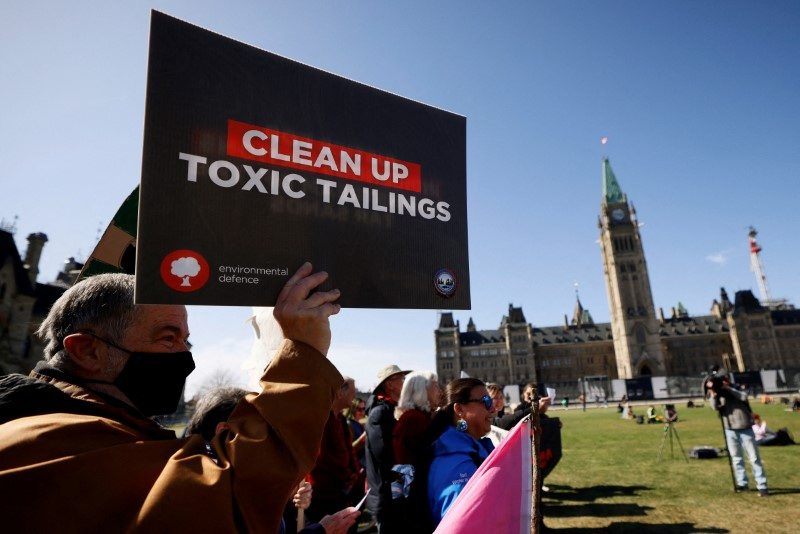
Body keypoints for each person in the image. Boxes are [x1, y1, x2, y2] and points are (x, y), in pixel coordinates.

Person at [0, 263, 345, 531]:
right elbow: (226, 507)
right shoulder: (56, 440)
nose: (184, 358)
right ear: (88, 351)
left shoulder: (105, 429)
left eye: (184, 339)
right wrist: (303, 353)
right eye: (168, 338)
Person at [185, 386, 360, 534]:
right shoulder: (210, 485)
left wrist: (289, 501)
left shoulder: (229, 475)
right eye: (257, 429)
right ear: (223, 431)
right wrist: (321, 530)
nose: (265, 439)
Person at [426, 378, 496, 527]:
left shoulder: (468, 449)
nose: (493, 409)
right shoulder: (455, 460)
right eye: (486, 401)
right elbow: (462, 525)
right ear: (459, 410)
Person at [307, 377, 361, 532]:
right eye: (353, 391)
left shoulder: (341, 419)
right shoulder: (322, 418)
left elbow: (349, 450)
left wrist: (354, 474)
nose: (355, 394)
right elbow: (322, 457)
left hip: (339, 491)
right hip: (322, 494)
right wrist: (347, 475)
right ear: (339, 393)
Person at [706, 371, 769, 496]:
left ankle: (762, 485)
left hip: (745, 427)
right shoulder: (718, 393)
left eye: (724, 379)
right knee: (736, 458)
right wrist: (713, 392)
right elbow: (714, 407)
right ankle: (742, 483)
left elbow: (744, 397)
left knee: (754, 458)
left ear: (728, 380)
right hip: (729, 428)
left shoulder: (736, 388)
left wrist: (727, 388)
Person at [365, 364, 410, 533]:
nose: (405, 382)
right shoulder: (381, 412)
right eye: (401, 379)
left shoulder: (392, 409)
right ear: (390, 385)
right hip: (387, 495)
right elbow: (384, 456)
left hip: (395, 491)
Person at [393, 371, 440, 465]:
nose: (440, 391)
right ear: (422, 390)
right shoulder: (414, 418)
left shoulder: (416, 416)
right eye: (435, 386)